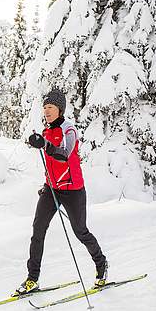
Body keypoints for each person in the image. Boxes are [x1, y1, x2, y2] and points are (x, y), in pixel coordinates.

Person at [14, 89, 108, 296]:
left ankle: (101, 265)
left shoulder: (69, 130)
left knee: (80, 231)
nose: (46, 111)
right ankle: (32, 279)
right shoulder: (46, 130)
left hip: (73, 190)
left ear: (60, 109)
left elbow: (64, 154)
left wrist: (45, 145)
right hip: (52, 189)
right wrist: (46, 180)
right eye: (45, 107)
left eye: (51, 107)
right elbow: (50, 163)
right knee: (38, 230)